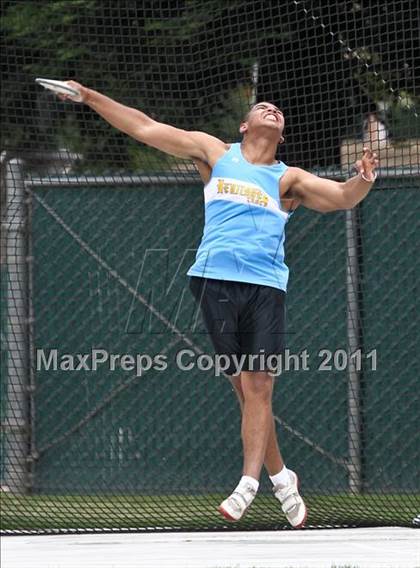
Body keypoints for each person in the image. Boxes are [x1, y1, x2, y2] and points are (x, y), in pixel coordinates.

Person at [59, 82, 379, 528]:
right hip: (213, 282)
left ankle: (248, 483)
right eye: (261, 107)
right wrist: (89, 97)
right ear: (244, 125)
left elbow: (343, 198)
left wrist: (362, 178)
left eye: (277, 109)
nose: (271, 108)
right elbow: (145, 127)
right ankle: (282, 477)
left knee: (259, 385)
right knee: (244, 390)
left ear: (281, 135)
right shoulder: (215, 152)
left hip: (266, 286)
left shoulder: (289, 179)